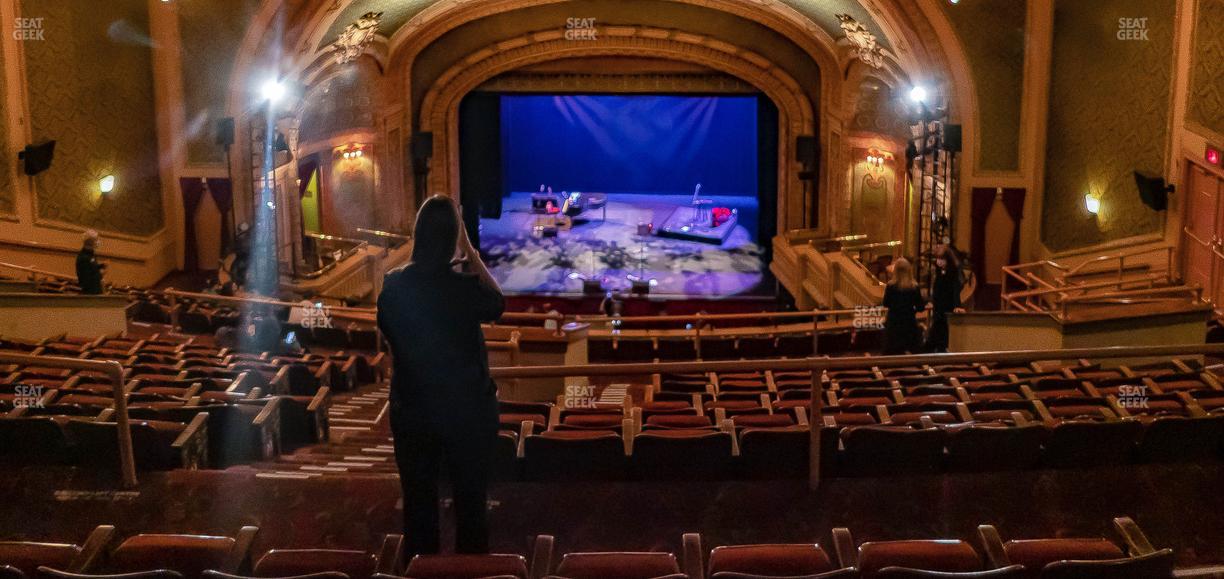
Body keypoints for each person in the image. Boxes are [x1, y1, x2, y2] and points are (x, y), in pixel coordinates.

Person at [377, 195, 505, 559]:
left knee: (418, 506)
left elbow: (392, 340)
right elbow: (498, 302)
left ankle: (422, 568)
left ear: (417, 236)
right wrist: (469, 250)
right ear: (453, 239)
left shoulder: (393, 288)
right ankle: (470, 568)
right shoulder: (464, 289)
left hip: (413, 413)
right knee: (471, 505)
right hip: (468, 413)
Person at [881, 257, 925, 355]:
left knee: (892, 351)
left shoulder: (891, 286)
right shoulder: (914, 287)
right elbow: (920, 307)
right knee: (912, 350)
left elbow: (886, 303)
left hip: (893, 322)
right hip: (909, 322)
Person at [925, 245, 964, 353]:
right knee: (938, 327)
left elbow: (955, 291)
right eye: (938, 259)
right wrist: (932, 301)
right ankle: (937, 348)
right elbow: (936, 290)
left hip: (947, 305)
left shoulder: (953, 273)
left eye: (942, 259)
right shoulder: (939, 272)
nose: (939, 261)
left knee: (941, 328)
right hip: (938, 305)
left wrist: (957, 305)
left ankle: (934, 348)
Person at [75, 230, 106, 295]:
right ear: (90, 241)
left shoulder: (91, 254)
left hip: (96, 291)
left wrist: (101, 266)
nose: (98, 242)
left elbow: (92, 268)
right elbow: (86, 278)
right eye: (96, 240)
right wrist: (100, 274)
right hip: (90, 293)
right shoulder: (83, 257)